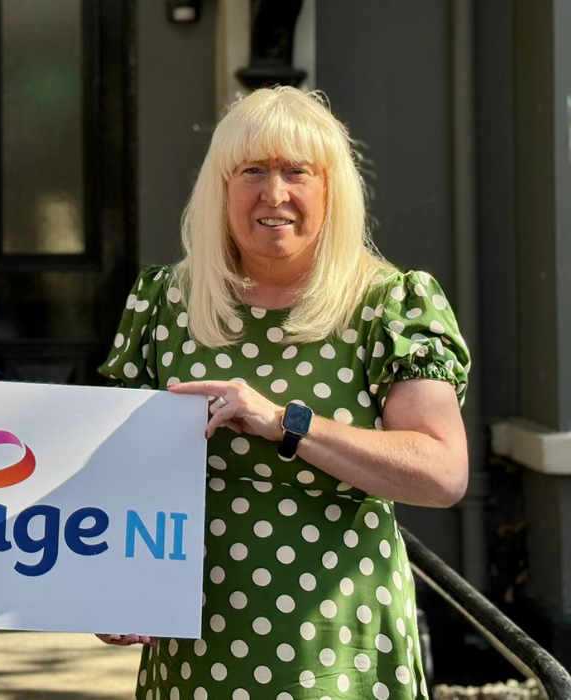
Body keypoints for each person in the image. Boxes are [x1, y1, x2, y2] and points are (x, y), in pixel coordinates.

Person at [98, 87, 469, 700]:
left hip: (339, 640)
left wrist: (287, 423)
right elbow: (114, 468)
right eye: (252, 172)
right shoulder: (164, 300)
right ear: (220, 187)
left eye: (298, 172)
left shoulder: (390, 305)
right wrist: (111, 582)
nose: (275, 194)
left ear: (332, 190)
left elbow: (443, 472)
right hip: (194, 642)